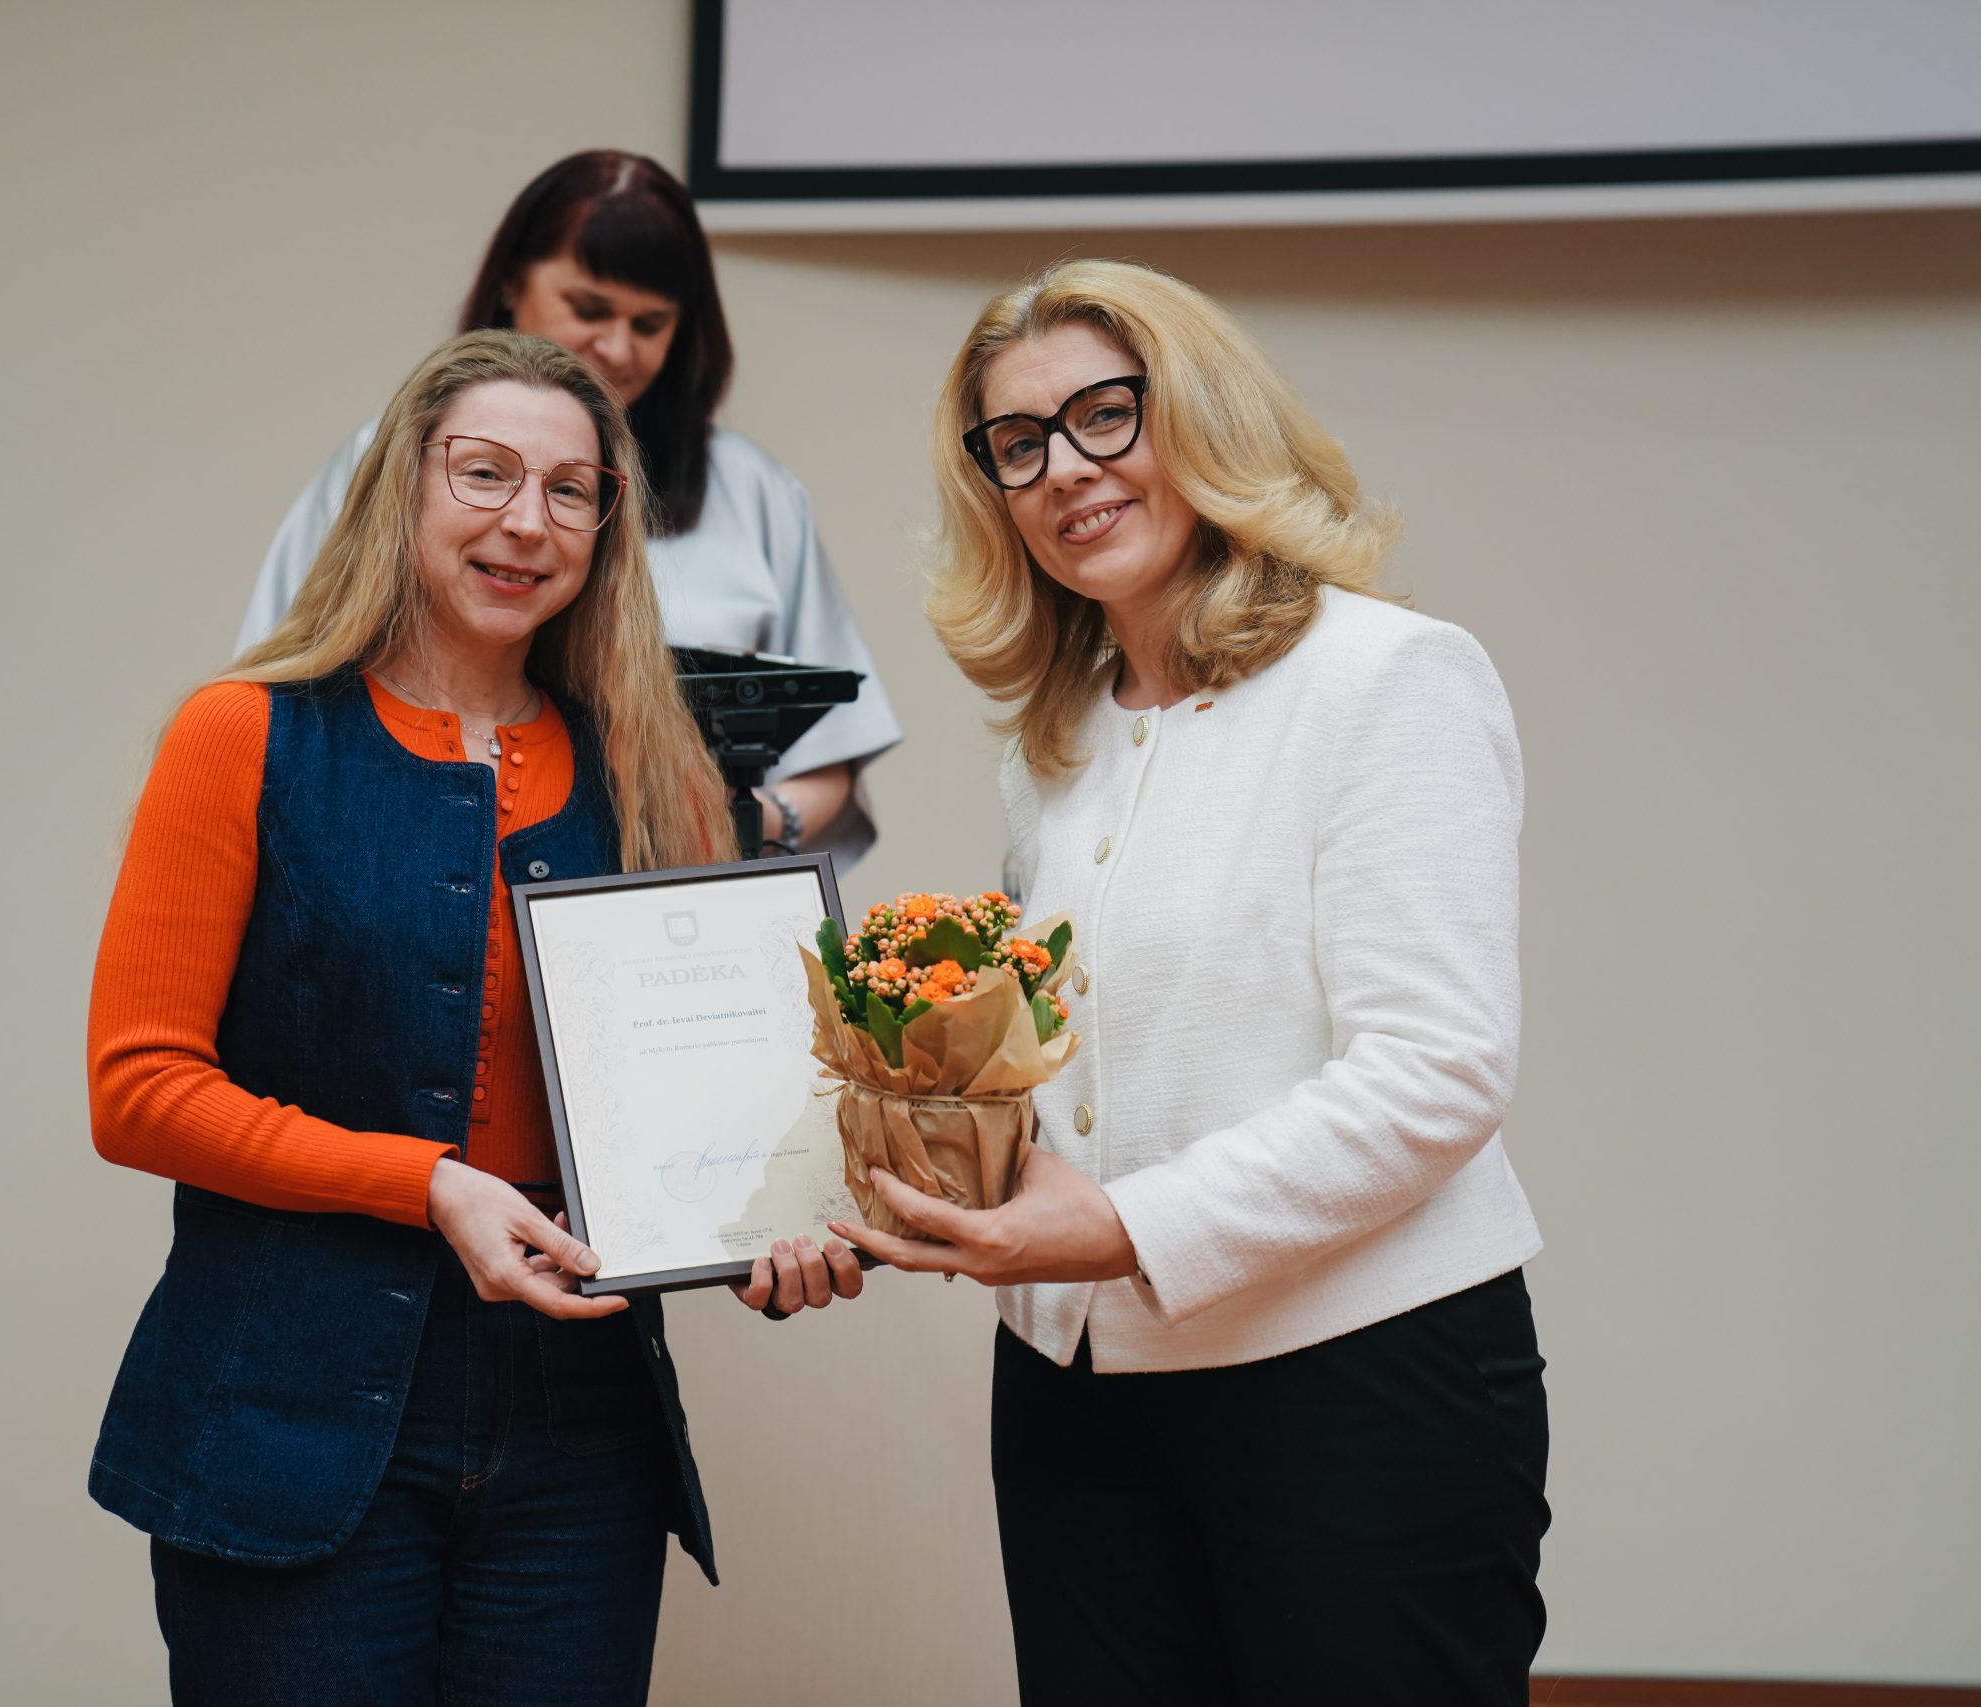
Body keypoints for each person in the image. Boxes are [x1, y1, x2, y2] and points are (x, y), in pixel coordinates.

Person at [89, 329, 865, 1707]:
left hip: (581, 1428)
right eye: (486, 472)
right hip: (287, 1416)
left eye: (572, 490)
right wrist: (429, 1184)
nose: (527, 521)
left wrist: (772, 1220)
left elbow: (722, 1096)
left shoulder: (655, 773)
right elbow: (139, 1088)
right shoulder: (244, 734)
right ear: (404, 483)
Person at [831, 260, 1549, 1704]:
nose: (1064, 470)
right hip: (1077, 1394)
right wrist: (894, 1166)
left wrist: (1121, 1225)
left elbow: (1438, 1071)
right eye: (1018, 443)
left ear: (1207, 415)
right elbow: (1066, 1066)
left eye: (1106, 414)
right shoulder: (1060, 736)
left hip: (1358, 1387)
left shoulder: (1388, 676)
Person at [239, 150, 899, 868]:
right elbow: (287, 693)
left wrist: (722, 826)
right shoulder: (391, 455)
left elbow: (831, 749)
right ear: (513, 283)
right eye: (484, 476)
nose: (615, 348)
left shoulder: (753, 489)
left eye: (650, 323)